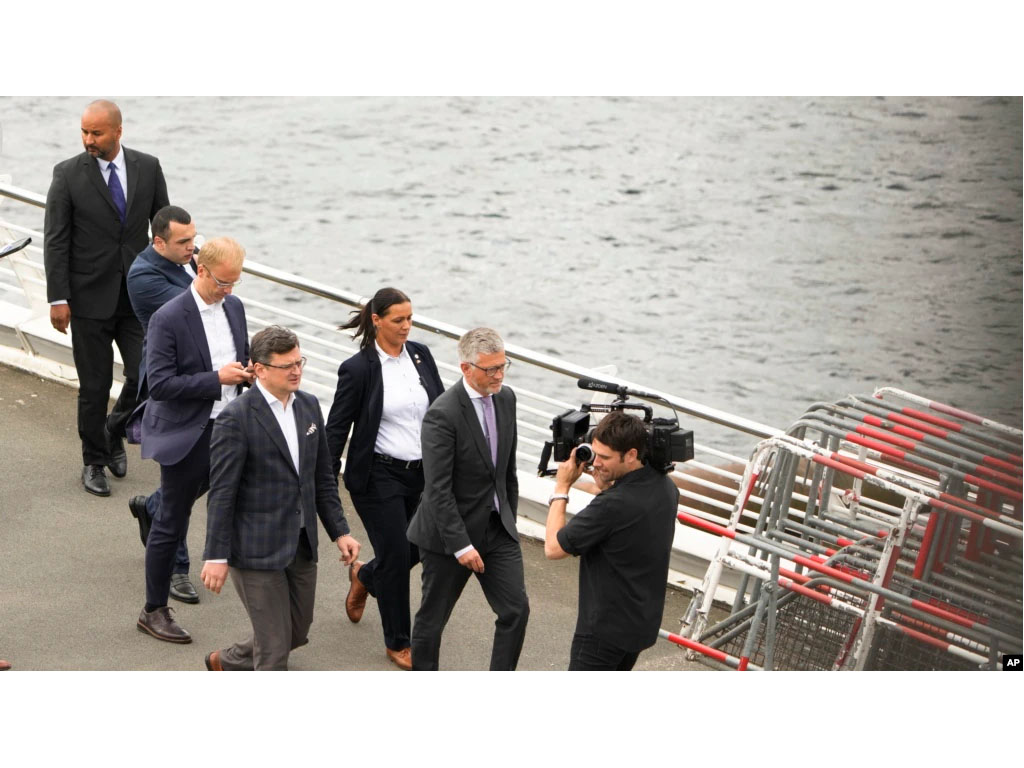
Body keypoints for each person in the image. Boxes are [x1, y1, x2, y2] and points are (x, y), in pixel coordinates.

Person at [200, 326, 361, 671]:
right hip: (255, 550)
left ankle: (227, 661)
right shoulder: (236, 418)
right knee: (274, 650)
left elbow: (321, 478)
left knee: (295, 633)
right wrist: (216, 555)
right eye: (286, 365)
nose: (296, 371)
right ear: (259, 369)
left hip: (301, 543)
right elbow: (222, 493)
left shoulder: (309, 405)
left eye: (299, 362)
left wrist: (341, 532)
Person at [43, 99, 170, 497]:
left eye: (96, 133)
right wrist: (57, 298)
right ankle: (94, 461)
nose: (88, 140)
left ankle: (114, 430)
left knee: (147, 376)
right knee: (94, 387)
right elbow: (56, 240)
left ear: (117, 131)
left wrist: (181, 273)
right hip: (87, 299)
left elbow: (163, 230)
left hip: (138, 296)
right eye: (84, 131)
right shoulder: (67, 174)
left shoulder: (148, 167)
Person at [135, 237, 253, 644]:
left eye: (235, 282)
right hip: (188, 431)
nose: (229, 291)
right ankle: (153, 610)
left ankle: (269, 610)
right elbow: (160, 385)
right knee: (172, 520)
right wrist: (216, 379)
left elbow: (241, 355)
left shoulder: (234, 307)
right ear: (201, 271)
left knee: (247, 503)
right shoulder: (168, 317)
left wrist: (250, 372)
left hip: (232, 426)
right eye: (223, 282)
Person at [325, 287, 444, 671]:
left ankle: (364, 576)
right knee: (395, 555)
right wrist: (323, 481)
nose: (407, 326)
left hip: (421, 474)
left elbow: (441, 410)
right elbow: (337, 428)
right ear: (376, 320)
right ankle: (398, 642)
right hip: (378, 475)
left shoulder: (421, 355)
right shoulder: (358, 369)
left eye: (410, 318)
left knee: (423, 546)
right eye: (398, 320)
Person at [406, 327, 529, 670]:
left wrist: (509, 518)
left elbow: (506, 471)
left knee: (516, 611)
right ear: (466, 368)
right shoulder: (442, 414)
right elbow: (437, 489)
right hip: (448, 537)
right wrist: (461, 545)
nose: (499, 375)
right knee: (433, 620)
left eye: (503, 366)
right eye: (491, 369)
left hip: (497, 529)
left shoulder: (506, 398)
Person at [544, 411, 679, 671]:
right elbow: (628, 525)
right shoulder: (667, 488)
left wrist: (561, 488)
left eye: (605, 458)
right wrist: (608, 487)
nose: (596, 463)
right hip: (639, 626)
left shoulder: (612, 505)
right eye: (595, 454)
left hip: (602, 633)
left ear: (631, 454)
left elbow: (553, 548)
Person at [125, 205, 198, 603]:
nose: (193, 248)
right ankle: (177, 568)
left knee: (206, 471)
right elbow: (195, 309)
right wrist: (217, 279)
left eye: (194, 239)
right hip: (169, 387)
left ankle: (153, 506)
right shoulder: (144, 276)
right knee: (181, 474)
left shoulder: (190, 262)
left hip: (205, 382)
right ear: (159, 242)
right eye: (184, 242)